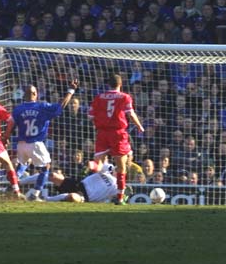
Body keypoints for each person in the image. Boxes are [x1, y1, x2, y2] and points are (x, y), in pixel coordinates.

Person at [12, 78, 79, 201]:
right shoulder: (41, 106)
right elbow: (61, 105)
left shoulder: (18, 109)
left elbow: (11, 124)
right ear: (34, 94)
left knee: (23, 164)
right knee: (46, 167)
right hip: (35, 143)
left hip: (21, 143)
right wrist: (70, 91)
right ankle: (35, 194)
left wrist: (5, 137)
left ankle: (13, 186)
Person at [88, 73, 145, 204]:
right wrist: (139, 126)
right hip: (118, 133)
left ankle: (92, 165)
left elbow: (90, 116)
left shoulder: (98, 97)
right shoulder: (124, 97)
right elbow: (130, 113)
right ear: (120, 84)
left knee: (98, 166)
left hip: (102, 132)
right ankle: (120, 197)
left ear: (108, 84)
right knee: (121, 167)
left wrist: (102, 122)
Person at [45, 162, 119, 203]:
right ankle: (37, 189)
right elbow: (93, 164)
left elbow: (116, 198)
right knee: (53, 175)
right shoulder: (109, 168)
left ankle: (47, 200)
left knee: (72, 197)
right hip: (79, 184)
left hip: (85, 196)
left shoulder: (117, 186)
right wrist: (89, 167)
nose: (117, 169)